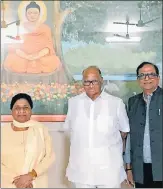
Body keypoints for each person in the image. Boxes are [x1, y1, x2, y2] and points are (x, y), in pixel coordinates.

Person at [63, 66, 130, 188]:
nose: (90, 85)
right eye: (86, 82)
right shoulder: (73, 102)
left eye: (94, 81)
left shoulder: (116, 103)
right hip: (81, 169)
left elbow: (124, 131)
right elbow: (69, 130)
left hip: (109, 169)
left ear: (101, 80)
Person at [1, 93, 55, 188]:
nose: (21, 111)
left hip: (36, 183)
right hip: (9, 184)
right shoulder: (2, 132)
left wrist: (31, 175)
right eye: (17, 108)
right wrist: (16, 180)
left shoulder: (41, 129)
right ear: (11, 111)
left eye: (25, 107)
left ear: (31, 110)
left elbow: (49, 157)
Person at [125, 62, 163, 188]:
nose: (147, 78)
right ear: (138, 80)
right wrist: (128, 169)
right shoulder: (132, 102)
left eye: (151, 74)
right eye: (142, 75)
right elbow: (129, 139)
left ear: (158, 77)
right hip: (140, 170)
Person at [3, 1, 61, 74]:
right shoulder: (19, 27)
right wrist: (27, 57)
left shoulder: (46, 28)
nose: (32, 15)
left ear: (39, 14)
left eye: (35, 13)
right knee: (11, 59)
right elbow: (15, 46)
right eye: (29, 13)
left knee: (53, 60)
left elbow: (48, 47)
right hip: (22, 57)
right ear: (26, 14)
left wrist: (36, 57)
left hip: (40, 57)